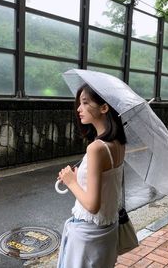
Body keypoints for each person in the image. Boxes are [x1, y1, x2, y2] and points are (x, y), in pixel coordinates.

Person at [57, 83, 126, 268]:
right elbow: (107, 182)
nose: (79, 109)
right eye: (79, 103)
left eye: (85, 102)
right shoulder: (118, 143)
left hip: (88, 235)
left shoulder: (96, 148)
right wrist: (80, 175)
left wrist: (71, 181)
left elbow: (92, 205)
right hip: (108, 232)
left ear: (104, 107)